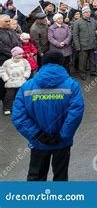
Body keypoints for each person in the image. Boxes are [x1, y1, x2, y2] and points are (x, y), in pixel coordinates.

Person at [12, 50, 84, 181]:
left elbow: (18, 116)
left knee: (36, 176)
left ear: (43, 63)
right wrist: (63, 135)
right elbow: (75, 113)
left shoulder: (27, 87)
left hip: (38, 143)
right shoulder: (72, 85)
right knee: (60, 176)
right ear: (62, 63)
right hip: (62, 142)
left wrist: (37, 135)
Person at [0, 47, 31, 115]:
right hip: (11, 82)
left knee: (21, 95)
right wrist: (6, 79)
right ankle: (7, 108)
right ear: (14, 54)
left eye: (22, 54)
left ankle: (22, 108)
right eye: (19, 54)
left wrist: (25, 76)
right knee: (9, 96)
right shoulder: (7, 62)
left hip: (21, 81)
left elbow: (28, 68)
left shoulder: (24, 61)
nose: (21, 55)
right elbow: (2, 70)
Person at [0, 15, 21, 109]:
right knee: (4, 84)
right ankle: (6, 104)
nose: (8, 23)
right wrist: (14, 54)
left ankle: (14, 103)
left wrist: (19, 52)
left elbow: (18, 43)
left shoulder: (11, 31)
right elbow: (2, 48)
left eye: (9, 21)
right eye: (6, 21)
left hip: (15, 61)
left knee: (16, 82)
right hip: (4, 62)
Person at [73, 6, 97, 80]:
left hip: (92, 43)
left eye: (89, 12)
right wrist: (77, 45)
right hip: (82, 45)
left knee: (92, 60)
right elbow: (75, 35)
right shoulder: (77, 22)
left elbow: (96, 32)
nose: (88, 13)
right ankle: (82, 73)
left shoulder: (93, 20)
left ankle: (93, 71)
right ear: (83, 13)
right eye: (86, 12)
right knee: (82, 61)